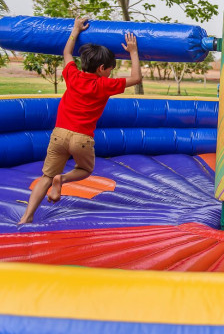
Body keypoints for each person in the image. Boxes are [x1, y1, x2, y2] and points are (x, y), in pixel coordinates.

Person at [18, 17, 143, 224]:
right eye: (110, 69)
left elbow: (67, 53)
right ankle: (62, 179)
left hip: (59, 134)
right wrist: (133, 52)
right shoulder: (104, 85)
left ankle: (26, 217)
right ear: (101, 69)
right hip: (82, 138)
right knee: (85, 170)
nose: (110, 73)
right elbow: (136, 78)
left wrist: (75, 30)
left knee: (46, 177)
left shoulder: (72, 75)